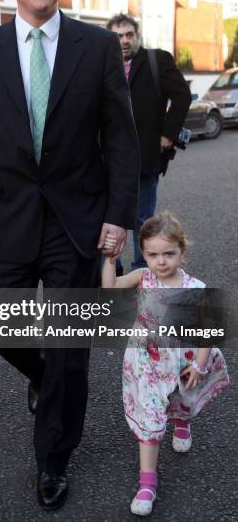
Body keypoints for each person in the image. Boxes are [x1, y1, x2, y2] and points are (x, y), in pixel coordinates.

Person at [0, 0, 140, 511]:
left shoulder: (98, 47)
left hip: (75, 221)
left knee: (66, 348)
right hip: (6, 218)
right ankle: (41, 377)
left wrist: (117, 218)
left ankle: (51, 458)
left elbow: (122, 140)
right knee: (1, 330)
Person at [102, 212, 229, 516]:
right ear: (143, 254)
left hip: (182, 358)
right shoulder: (142, 277)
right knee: (149, 416)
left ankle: (182, 422)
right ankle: (148, 482)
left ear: (182, 252)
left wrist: (199, 366)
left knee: (181, 397)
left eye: (169, 254)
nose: (161, 261)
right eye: (153, 254)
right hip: (146, 361)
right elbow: (110, 288)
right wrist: (109, 260)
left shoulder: (195, 288)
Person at [106, 14, 191, 274]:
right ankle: (113, 272)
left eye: (129, 34)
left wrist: (169, 134)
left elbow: (182, 95)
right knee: (108, 219)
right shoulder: (102, 64)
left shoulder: (157, 60)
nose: (124, 41)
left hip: (146, 156)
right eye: (118, 36)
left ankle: (143, 271)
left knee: (142, 219)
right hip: (107, 159)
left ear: (137, 36)